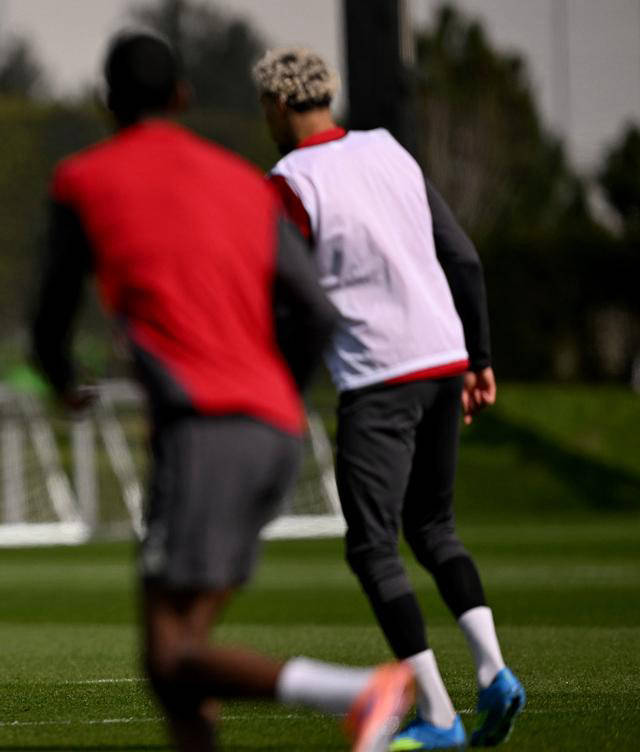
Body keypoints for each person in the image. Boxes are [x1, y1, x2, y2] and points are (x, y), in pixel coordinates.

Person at [32, 32, 415, 752]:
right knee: (184, 659)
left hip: (204, 432)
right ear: (182, 97)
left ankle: (357, 692)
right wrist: (278, 393)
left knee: (168, 656)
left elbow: (50, 319)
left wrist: (63, 382)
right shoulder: (244, 181)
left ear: (106, 101)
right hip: (273, 431)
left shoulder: (83, 179)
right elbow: (318, 311)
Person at [252, 48, 526, 749]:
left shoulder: (289, 180)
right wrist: (479, 357)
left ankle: (438, 716)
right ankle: (494, 672)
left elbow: (293, 299)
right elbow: (463, 257)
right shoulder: (387, 148)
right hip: (443, 358)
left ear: (277, 105)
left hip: (378, 375)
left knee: (372, 547)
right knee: (434, 528)